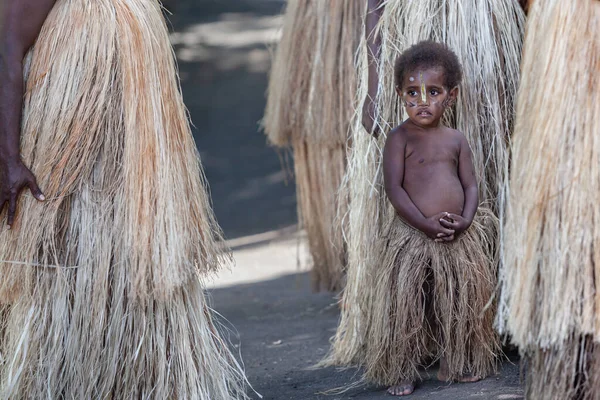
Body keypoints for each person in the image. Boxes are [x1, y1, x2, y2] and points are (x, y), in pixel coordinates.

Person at [0, 1, 248, 398]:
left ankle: (151, 376)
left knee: (136, 255)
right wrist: (9, 158)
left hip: (135, 155)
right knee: (73, 255)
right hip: (70, 143)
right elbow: (8, 48)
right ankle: (71, 378)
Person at [367, 41, 499, 396]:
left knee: (457, 301)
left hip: (457, 237)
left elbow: (471, 186)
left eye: (433, 91)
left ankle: (454, 362)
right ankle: (403, 368)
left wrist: (467, 220)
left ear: (451, 96)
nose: (422, 101)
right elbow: (394, 191)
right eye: (412, 92)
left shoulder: (456, 139)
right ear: (400, 94)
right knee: (409, 305)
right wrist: (424, 225)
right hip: (414, 235)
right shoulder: (399, 138)